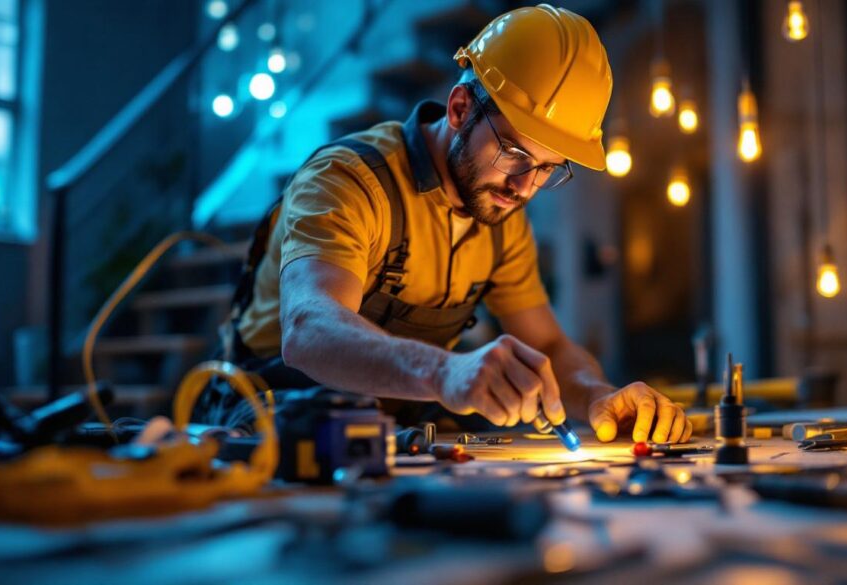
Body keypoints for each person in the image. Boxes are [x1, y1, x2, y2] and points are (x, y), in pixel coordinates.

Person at [221, 4, 692, 444]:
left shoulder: (501, 215)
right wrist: (445, 372)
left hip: (389, 424)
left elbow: (547, 342)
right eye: (514, 152)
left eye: (547, 168)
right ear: (460, 108)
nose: (524, 187)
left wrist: (598, 396)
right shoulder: (349, 181)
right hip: (275, 416)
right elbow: (308, 329)